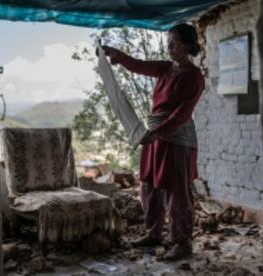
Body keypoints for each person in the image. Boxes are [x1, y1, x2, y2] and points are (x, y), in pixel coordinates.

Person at [102, 23, 205, 261]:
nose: (169, 48)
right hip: (155, 133)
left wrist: (159, 132)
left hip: (177, 137)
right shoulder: (165, 68)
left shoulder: (194, 76)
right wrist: (117, 55)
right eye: (168, 43)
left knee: (177, 191)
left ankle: (182, 242)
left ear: (188, 45)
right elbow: (139, 65)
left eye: (174, 43)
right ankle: (154, 233)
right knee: (148, 184)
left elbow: (182, 114)